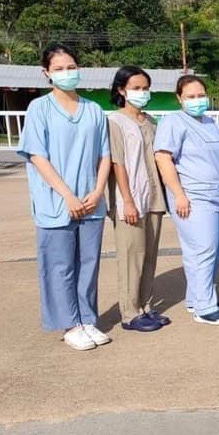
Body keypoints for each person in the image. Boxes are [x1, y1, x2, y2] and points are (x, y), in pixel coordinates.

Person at [18, 44, 112, 351]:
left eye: (70, 67)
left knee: (88, 263)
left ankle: (87, 318)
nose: (66, 73)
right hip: (57, 202)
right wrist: (68, 196)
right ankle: (69, 323)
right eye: (58, 69)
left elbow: (104, 155)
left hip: (91, 200)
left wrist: (97, 191)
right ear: (46, 74)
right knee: (59, 265)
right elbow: (38, 156)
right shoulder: (39, 109)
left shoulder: (94, 110)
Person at [154, 75, 219, 326]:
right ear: (179, 98)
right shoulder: (173, 122)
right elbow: (164, 159)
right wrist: (179, 194)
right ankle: (205, 307)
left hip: (216, 197)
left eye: (200, 95)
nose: (197, 100)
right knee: (204, 250)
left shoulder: (211, 123)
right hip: (192, 198)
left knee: (209, 251)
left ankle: (195, 298)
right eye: (190, 97)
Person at [107, 66, 169, 332]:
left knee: (150, 255)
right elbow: (117, 162)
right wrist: (127, 200)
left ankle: (146, 306)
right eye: (136, 88)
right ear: (121, 90)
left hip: (153, 196)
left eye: (145, 88)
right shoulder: (115, 121)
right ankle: (129, 313)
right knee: (132, 255)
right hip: (130, 199)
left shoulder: (151, 122)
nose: (142, 93)